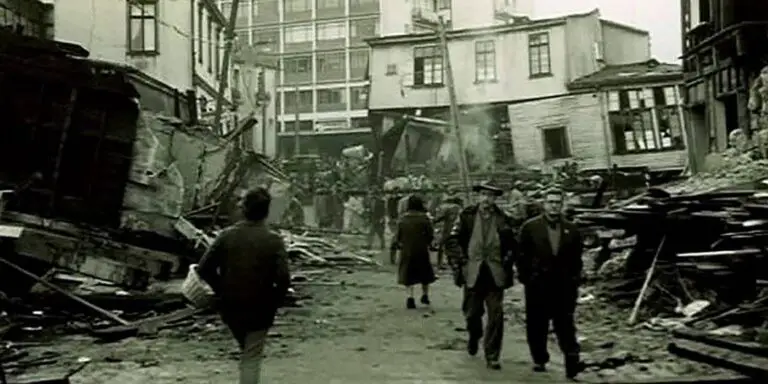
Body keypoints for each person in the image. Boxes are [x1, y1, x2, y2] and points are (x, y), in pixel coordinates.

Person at [197, 187, 291, 384]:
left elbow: (204, 268)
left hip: (231, 306)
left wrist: (220, 289)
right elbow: (283, 278)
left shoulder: (226, 235)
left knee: (247, 349)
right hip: (261, 307)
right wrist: (276, 299)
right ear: (266, 211)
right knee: (252, 355)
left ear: (244, 209)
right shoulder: (273, 240)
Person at [444, 182, 516, 370]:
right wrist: (460, 260)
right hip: (472, 272)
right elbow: (451, 240)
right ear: (478, 196)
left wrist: (508, 260)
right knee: (472, 313)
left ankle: (492, 354)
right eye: (483, 195)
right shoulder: (466, 216)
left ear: (495, 199)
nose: (486, 199)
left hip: (495, 273)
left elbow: (512, 244)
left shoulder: (503, 219)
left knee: (496, 314)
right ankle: (474, 335)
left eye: (491, 196)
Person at [517, 187, 584, 381]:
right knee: (537, 324)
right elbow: (522, 257)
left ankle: (572, 363)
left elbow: (576, 260)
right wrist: (527, 279)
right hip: (538, 286)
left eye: (557, 202)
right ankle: (539, 358)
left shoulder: (571, 229)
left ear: (562, 205)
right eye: (550, 202)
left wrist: (574, 282)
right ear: (544, 204)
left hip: (563, 287)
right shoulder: (530, 228)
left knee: (566, 326)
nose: (554, 206)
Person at [390, 195, 437, 309]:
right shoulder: (425, 219)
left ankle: (410, 298)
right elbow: (430, 235)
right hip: (421, 250)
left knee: (408, 274)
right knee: (425, 274)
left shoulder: (402, 220)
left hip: (407, 250)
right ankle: (425, 295)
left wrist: (397, 246)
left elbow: (397, 237)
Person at [433, 195, 462, 269]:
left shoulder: (444, 207)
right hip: (455, 228)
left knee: (441, 247)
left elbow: (439, 218)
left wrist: (434, 220)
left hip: (446, 228)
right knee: (452, 246)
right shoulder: (458, 208)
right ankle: (453, 262)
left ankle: (440, 263)